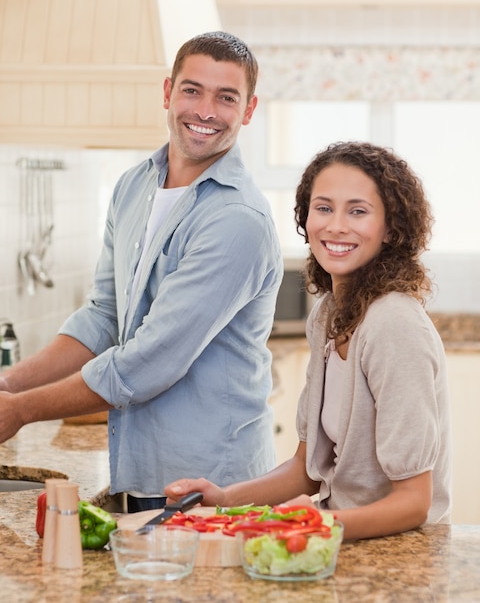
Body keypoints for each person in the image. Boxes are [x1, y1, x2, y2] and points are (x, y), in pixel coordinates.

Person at [0, 31, 283, 512]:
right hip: (138, 474)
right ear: (168, 93)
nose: (206, 111)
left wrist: (21, 410)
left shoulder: (237, 221)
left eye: (226, 98)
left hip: (210, 487)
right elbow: (104, 317)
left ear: (248, 111)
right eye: (192, 90)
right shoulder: (134, 186)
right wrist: (9, 383)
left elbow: (148, 363)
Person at [164, 141, 452, 539]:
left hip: (399, 552)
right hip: (342, 542)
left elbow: (413, 503)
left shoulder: (393, 324)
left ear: (390, 228)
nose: (336, 225)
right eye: (323, 207)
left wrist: (309, 525)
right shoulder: (328, 316)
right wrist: (222, 498)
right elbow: (308, 469)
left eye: (358, 211)